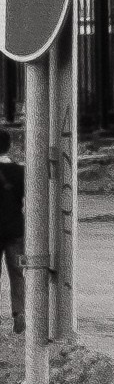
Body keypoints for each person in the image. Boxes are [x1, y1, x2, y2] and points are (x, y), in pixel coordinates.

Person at [0, 130, 24, 336]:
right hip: (15, 230)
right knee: (17, 274)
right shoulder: (19, 172)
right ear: (9, 147)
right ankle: (20, 313)